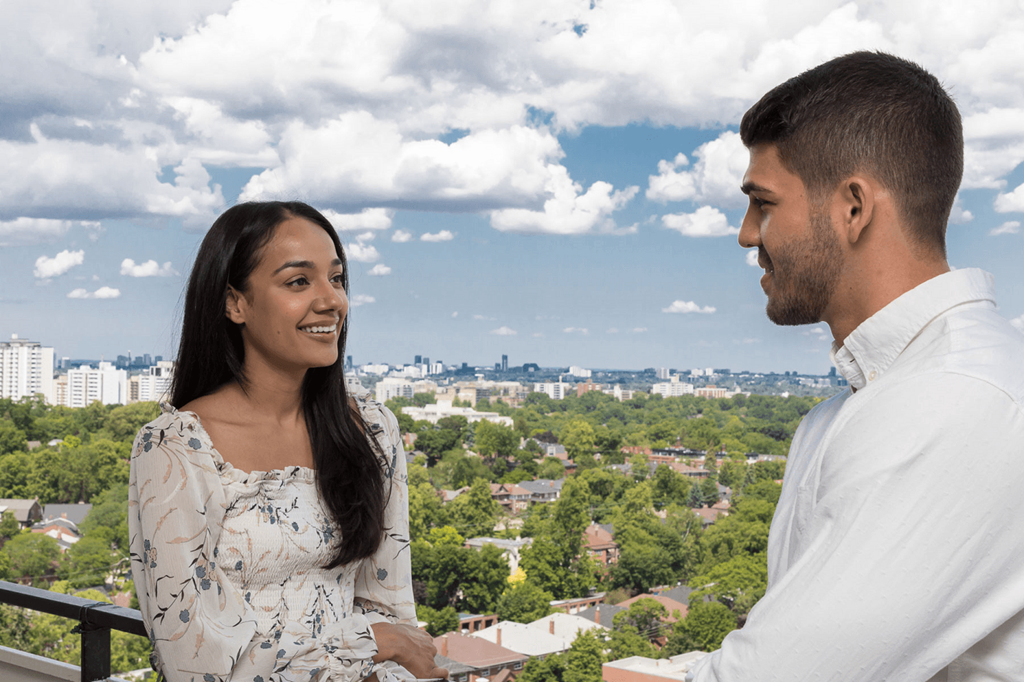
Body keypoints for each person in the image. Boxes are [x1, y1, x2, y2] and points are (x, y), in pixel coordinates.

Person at [687, 52, 1024, 681]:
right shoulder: (857, 408)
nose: (745, 234)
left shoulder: (953, 402)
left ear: (853, 208)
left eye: (763, 203)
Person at [128, 201, 448, 682]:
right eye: (299, 281)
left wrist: (385, 647)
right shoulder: (176, 448)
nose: (331, 300)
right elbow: (193, 658)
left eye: (337, 279)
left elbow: (394, 613)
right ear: (235, 302)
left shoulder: (372, 428)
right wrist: (367, 643)